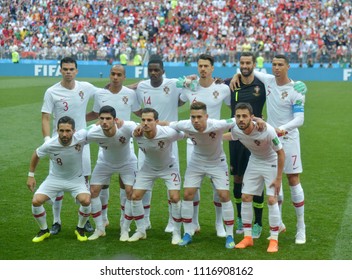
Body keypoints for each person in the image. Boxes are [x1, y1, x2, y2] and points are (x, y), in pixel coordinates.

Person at [231, 54, 307, 244]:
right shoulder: (268, 81)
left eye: (280, 65)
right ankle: (278, 224)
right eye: (274, 65)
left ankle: (301, 228)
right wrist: (235, 76)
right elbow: (246, 71)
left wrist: (282, 129)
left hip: (288, 138)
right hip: (271, 139)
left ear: (288, 66)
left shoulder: (296, 89)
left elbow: (300, 119)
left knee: (293, 179)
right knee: (275, 185)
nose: (276, 68)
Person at [167, 101, 236, 249]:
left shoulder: (218, 124)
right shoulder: (185, 124)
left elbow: (239, 120)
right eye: (193, 117)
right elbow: (168, 123)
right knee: (187, 194)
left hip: (217, 163)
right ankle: (187, 233)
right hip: (196, 163)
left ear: (206, 116)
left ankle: (230, 235)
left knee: (224, 196)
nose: (196, 120)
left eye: (199, 117)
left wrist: (258, 121)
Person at [41, 56, 98, 235]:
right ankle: (56, 221)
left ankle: (85, 220)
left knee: (85, 180)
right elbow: (46, 117)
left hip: (81, 142)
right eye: (65, 69)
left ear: (76, 70)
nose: (68, 72)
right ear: (60, 70)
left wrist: (135, 87)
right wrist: (47, 139)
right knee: (57, 181)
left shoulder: (86, 87)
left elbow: (107, 92)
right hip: (60, 143)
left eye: (71, 69)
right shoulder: (51, 92)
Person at [177, 54, 231, 237]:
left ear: (212, 68)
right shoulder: (189, 87)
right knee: (193, 185)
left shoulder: (222, 89)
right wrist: (180, 83)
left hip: (215, 141)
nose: (203, 69)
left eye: (206, 66)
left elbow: (234, 108)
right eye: (200, 65)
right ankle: (193, 222)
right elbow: (176, 103)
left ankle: (219, 224)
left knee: (218, 187)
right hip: (193, 142)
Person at [223, 102, 285, 253]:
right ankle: (248, 237)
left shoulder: (267, 130)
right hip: (255, 161)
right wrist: (209, 136)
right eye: (238, 116)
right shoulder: (237, 130)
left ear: (252, 117)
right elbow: (229, 135)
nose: (241, 119)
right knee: (245, 197)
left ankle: (274, 239)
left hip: (271, 162)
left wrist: (278, 178)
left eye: (244, 116)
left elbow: (281, 153)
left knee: (271, 200)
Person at [86, 64, 141, 230]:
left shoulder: (131, 94)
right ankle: (103, 217)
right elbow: (96, 114)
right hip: (106, 142)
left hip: (125, 140)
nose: (115, 77)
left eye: (119, 74)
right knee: (103, 183)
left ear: (124, 77)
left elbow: (139, 113)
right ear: (109, 75)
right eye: (113, 74)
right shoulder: (100, 94)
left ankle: (124, 221)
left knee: (125, 184)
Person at [135, 55, 183, 233]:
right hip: (147, 141)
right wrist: (146, 125)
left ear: (163, 71)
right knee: (143, 183)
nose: (153, 73)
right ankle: (145, 220)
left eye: (157, 70)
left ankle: (172, 221)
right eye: (151, 70)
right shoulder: (142, 86)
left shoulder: (172, 84)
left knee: (171, 185)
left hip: (169, 140)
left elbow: (185, 94)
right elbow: (135, 105)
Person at [26, 116, 91, 242]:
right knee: (36, 201)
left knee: (86, 201)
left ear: (74, 131)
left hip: (76, 179)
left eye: (68, 131)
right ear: (57, 131)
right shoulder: (50, 144)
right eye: (61, 131)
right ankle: (44, 230)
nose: (64, 134)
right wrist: (31, 175)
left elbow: (94, 126)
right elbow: (36, 154)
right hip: (55, 179)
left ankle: (80, 228)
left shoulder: (81, 137)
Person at [127, 108, 185, 244]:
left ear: (156, 122)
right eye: (143, 120)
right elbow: (127, 126)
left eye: (149, 120)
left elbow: (183, 133)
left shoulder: (168, 133)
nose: (145, 123)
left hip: (169, 168)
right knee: (135, 196)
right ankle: (141, 230)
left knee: (175, 198)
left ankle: (176, 232)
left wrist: (169, 124)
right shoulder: (137, 134)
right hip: (148, 168)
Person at [225, 52, 266, 238]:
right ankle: (241, 218)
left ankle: (258, 222)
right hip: (236, 138)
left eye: (248, 62)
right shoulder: (231, 83)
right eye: (242, 62)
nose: (245, 65)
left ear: (253, 64)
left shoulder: (262, 85)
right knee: (238, 179)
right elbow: (210, 82)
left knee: (257, 181)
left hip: (257, 138)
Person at [86, 106, 138, 241]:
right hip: (105, 163)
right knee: (93, 191)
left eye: (108, 118)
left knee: (130, 192)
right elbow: (78, 136)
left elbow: (142, 129)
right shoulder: (94, 132)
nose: (104, 121)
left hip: (127, 162)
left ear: (115, 120)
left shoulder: (126, 127)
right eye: (102, 118)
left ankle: (124, 228)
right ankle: (100, 228)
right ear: (98, 120)